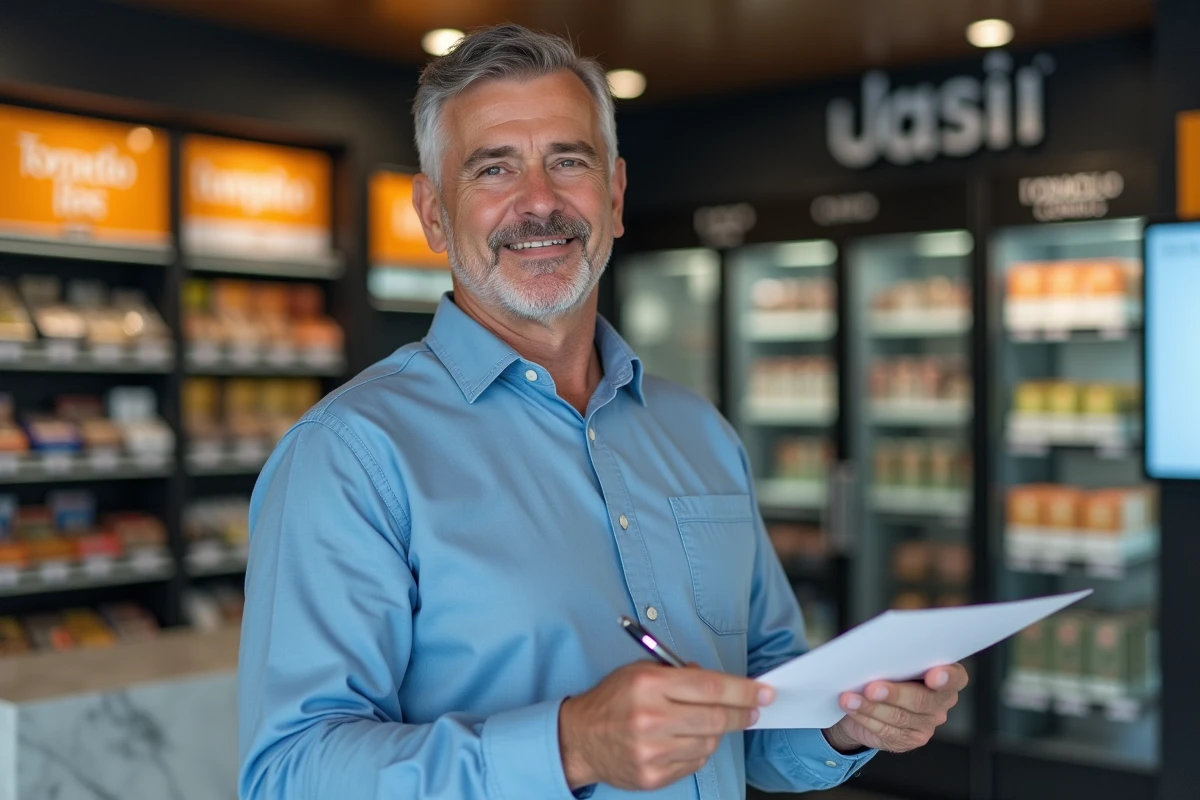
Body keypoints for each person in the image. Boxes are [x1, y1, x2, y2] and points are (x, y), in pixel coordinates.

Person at [237, 23, 968, 800]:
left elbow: (755, 709)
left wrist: (843, 721)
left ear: (615, 196)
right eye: (494, 168)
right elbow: (289, 774)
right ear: (433, 214)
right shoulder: (350, 455)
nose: (540, 202)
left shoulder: (700, 434)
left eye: (568, 161)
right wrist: (569, 747)